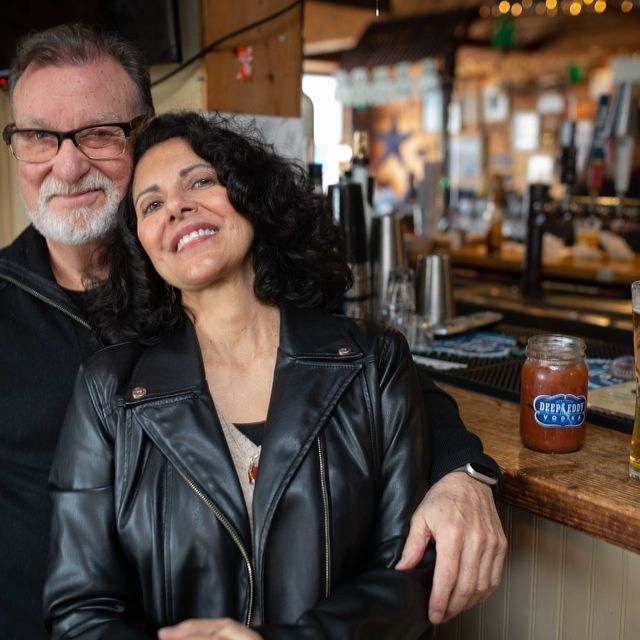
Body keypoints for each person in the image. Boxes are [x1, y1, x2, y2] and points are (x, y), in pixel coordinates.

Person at [0, 23, 505, 639]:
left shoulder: (270, 298)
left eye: (98, 132)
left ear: (145, 134)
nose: (68, 162)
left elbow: (375, 385)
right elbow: (80, 603)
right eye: (38, 136)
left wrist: (463, 470)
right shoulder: (91, 368)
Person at [44, 109, 433, 639]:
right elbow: (79, 609)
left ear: (251, 196)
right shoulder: (106, 391)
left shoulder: (374, 360)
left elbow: (408, 577)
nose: (177, 207)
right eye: (152, 204)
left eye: (199, 181)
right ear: (142, 247)